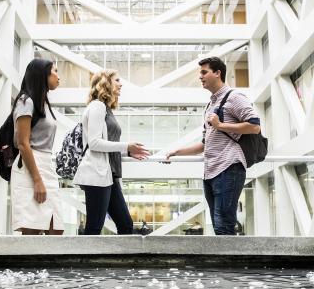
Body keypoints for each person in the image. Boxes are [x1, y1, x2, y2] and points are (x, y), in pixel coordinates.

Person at [166, 57, 260, 235]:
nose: (200, 77)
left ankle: (229, 263)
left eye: (204, 72)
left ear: (218, 73)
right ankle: (226, 263)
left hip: (229, 168)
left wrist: (221, 126)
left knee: (224, 225)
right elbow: (204, 143)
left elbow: (255, 126)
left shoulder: (235, 97)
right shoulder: (211, 104)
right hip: (211, 171)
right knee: (219, 226)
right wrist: (176, 152)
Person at [73, 70, 150, 235]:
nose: (121, 84)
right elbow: (94, 143)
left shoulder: (106, 109)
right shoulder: (97, 106)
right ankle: (83, 260)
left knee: (125, 224)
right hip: (97, 175)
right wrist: (126, 146)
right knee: (94, 227)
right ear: (105, 83)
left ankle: (122, 261)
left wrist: (127, 152)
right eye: (117, 80)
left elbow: (107, 146)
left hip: (108, 176)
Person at [10, 58, 64, 235]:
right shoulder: (26, 101)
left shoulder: (43, 103)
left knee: (56, 228)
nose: (58, 76)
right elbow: (23, 144)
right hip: (30, 166)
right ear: (43, 75)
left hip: (46, 164)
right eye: (55, 71)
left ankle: (47, 264)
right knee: (31, 230)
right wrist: (37, 180)